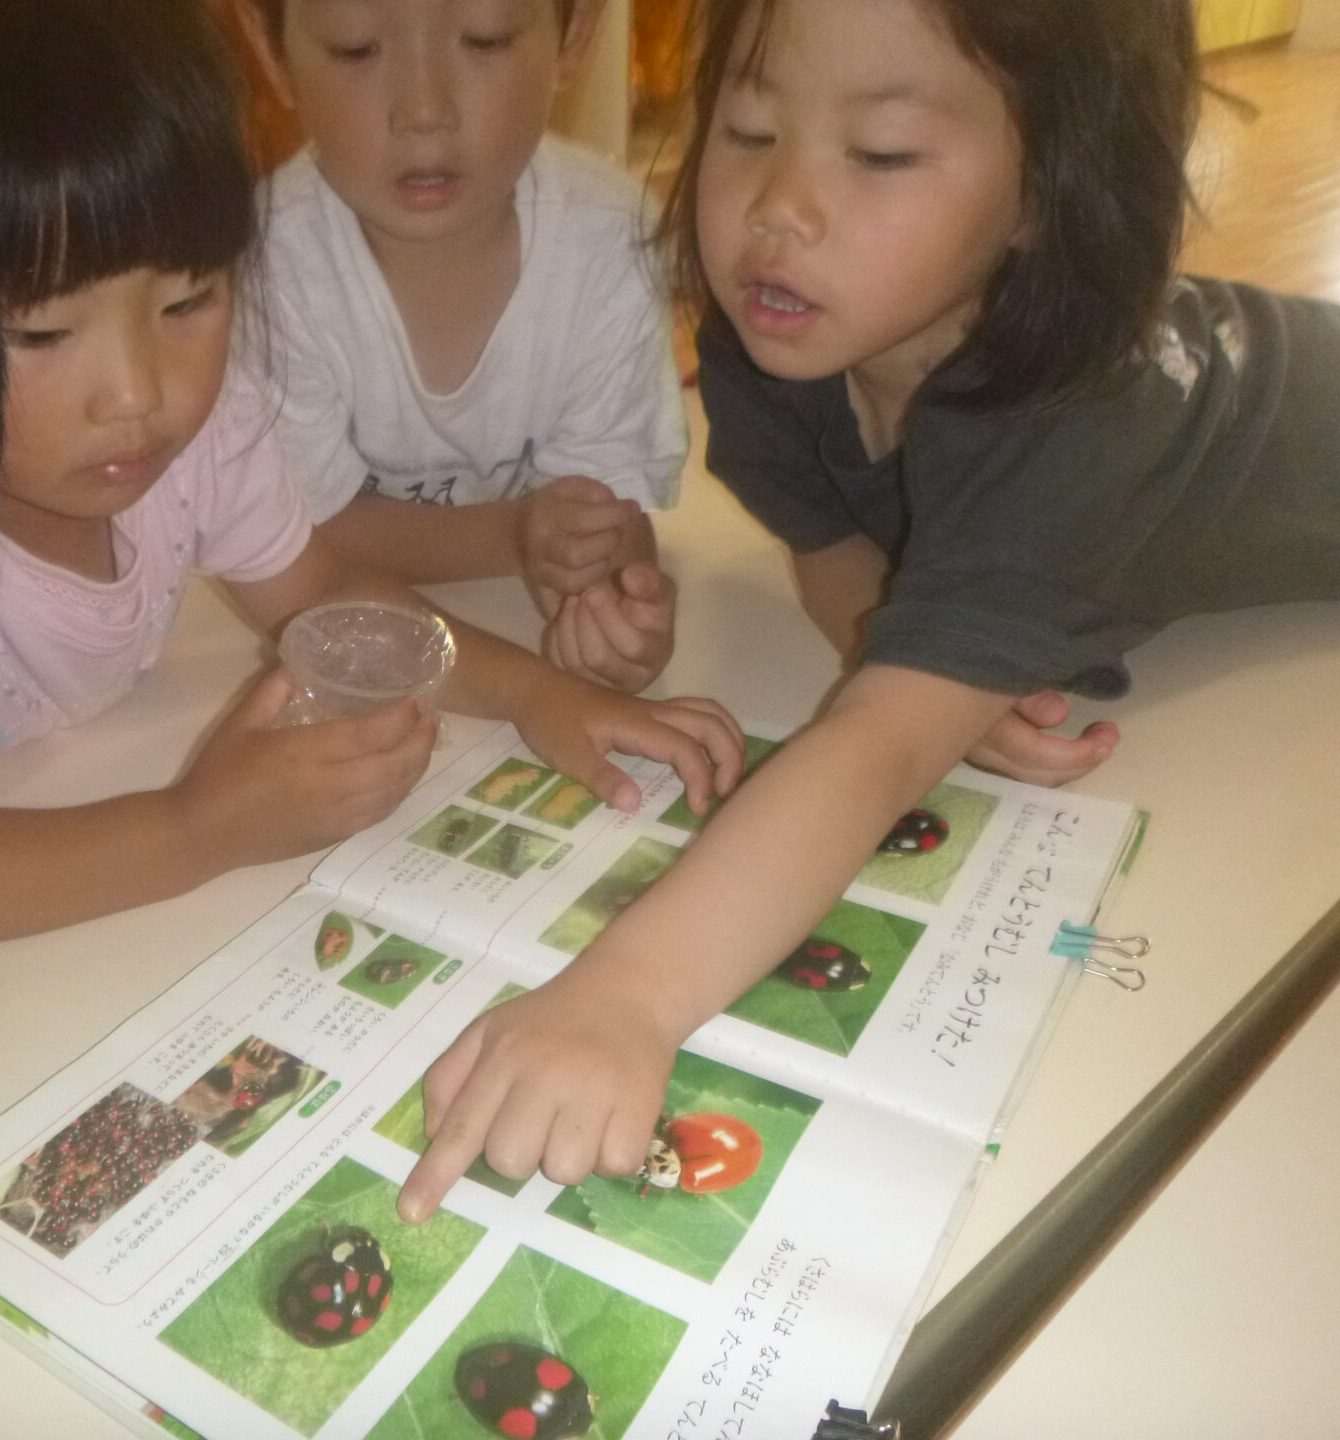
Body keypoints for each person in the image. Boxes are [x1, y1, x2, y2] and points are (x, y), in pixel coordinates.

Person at [396, 0, 1340, 1221]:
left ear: (1051, 190)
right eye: (747, 130)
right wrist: (913, 649)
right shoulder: (777, 336)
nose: (778, 208)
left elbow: (879, 749)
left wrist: (625, 997)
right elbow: (833, 540)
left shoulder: (1072, 420)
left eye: (882, 153)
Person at [0, 0, 744, 961]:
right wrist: (195, 829)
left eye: (187, 301)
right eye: (44, 332)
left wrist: (537, 692)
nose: (138, 393)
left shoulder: (208, 429)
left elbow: (324, 591)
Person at [235, 0, 687, 694]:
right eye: (357, 49)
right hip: (354, 654)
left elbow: (602, 512)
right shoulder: (268, 266)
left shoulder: (612, 242)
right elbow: (294, 539)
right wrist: (515, 536)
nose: (424, 112)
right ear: (272, 52)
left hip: (504, 644)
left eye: (485, 40)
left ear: (574, 34)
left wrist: (614, 608)